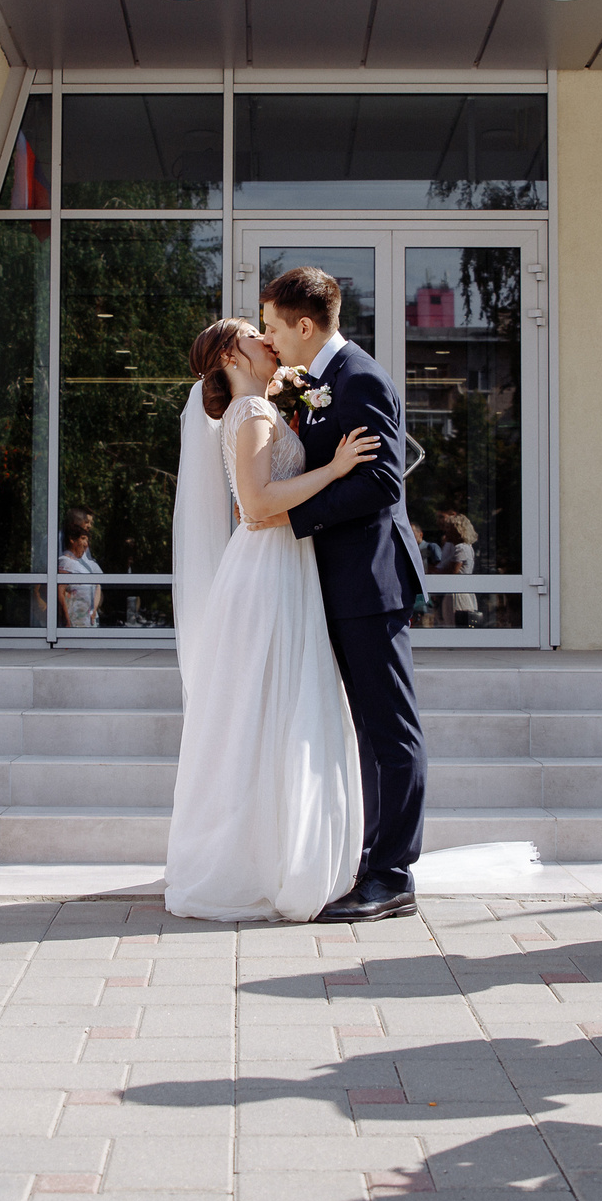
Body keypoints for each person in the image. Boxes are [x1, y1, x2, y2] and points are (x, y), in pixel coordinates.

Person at [165, 316, 370, 920]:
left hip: (280, 561)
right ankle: (271, 858)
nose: (268, 340)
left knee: (273, 707)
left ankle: (274, 853)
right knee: (277, 703)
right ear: (232, 351)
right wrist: (334, 470)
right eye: (256, 334)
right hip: (269, 565)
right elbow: (255, 505)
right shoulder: (250, 414)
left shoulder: (258, 408)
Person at [262, 267, 431, 922]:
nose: (271, 340)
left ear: (306, 325)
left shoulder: (360, 379)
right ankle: (368, 857)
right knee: (362, 729)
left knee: (389, 730)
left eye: (275, 326)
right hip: (337, 580)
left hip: (370, 580)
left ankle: (393, 874)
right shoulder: (322, 382)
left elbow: (383, 484)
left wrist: (293, 517)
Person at [57, 509, 102, 629]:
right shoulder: (66, 563)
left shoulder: (80, 562)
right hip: (75, 625)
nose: (86, 544)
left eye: (87, 539)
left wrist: (94, 611)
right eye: (83, 539)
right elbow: (60, 592)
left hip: (87, 622)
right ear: (72, 539)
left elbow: (96, 584)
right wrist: (67, 621)